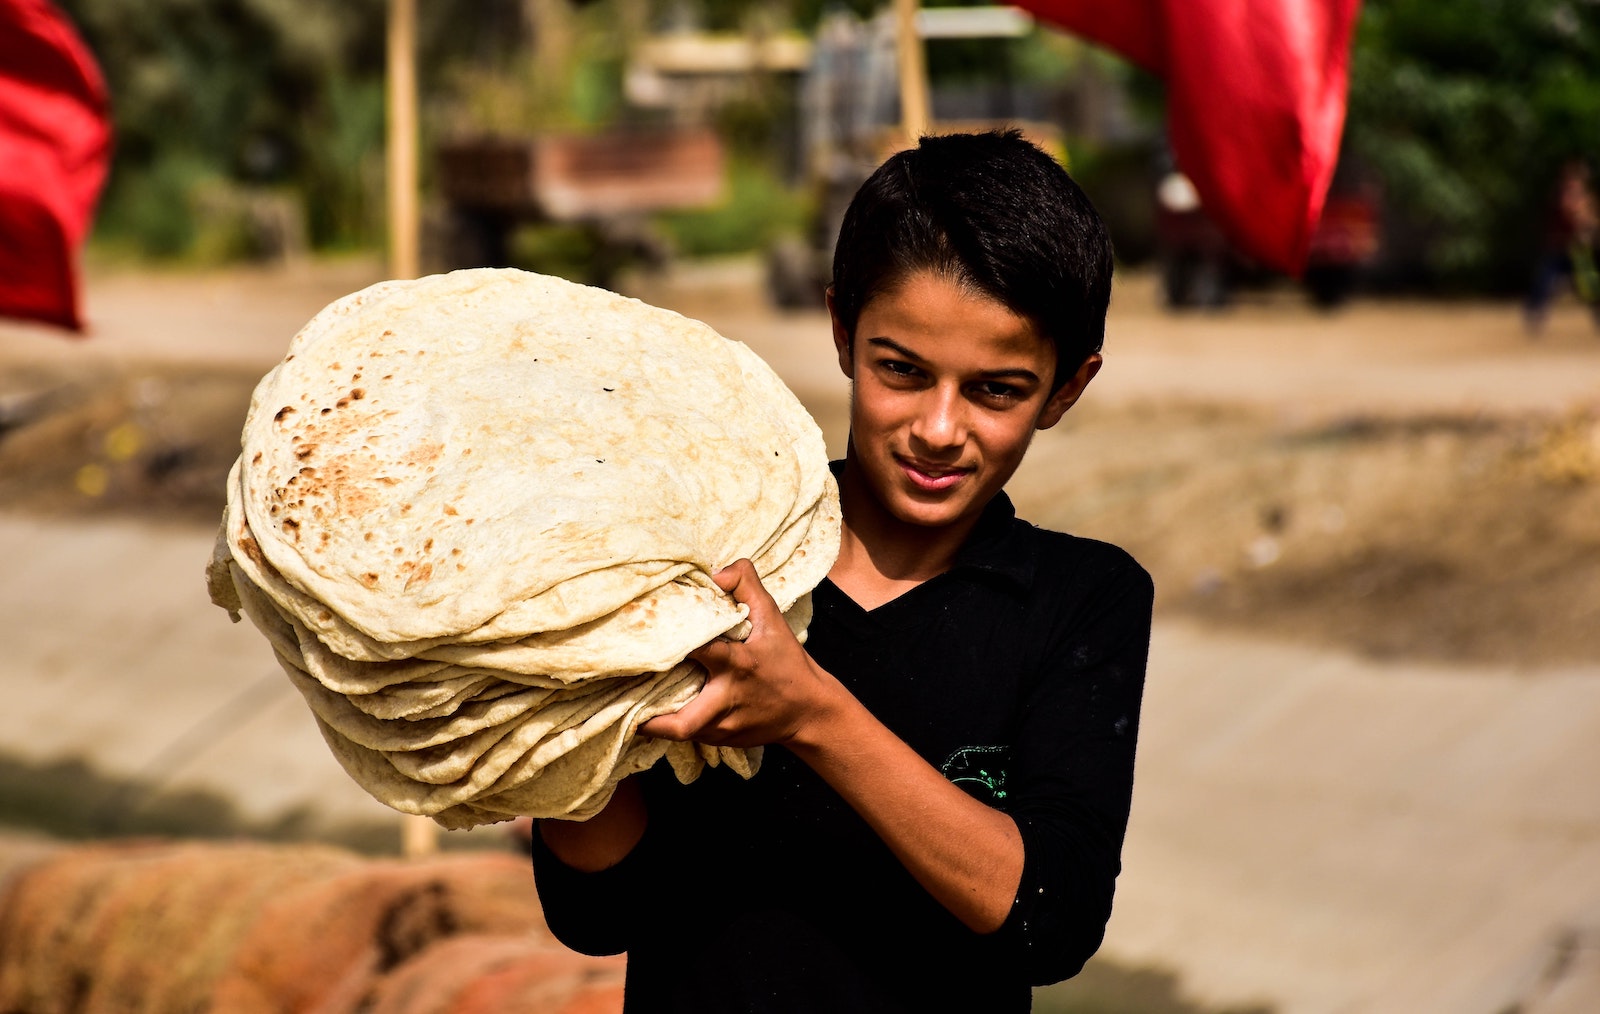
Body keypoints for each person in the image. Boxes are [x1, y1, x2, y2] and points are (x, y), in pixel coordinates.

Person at [527, 129, 1153, 1013]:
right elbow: (598, 911)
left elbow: (1049, 921)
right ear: (842, 332)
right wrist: (555, 704)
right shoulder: (715, 560)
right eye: (902, 370)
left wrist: (810, 712)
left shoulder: (1081, 601)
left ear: (1066, 388)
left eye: (995, 390)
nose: (939, 428)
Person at [1525, 159, 1600, 335]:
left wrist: (1589, 226)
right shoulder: (1561, 196)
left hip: (1579, 252)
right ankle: (1535, 315)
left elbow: (1591, 222)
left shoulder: (1587, 198)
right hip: (1559, 249)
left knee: (1590, 285)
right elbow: (1569, 213)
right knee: (1544, 281)